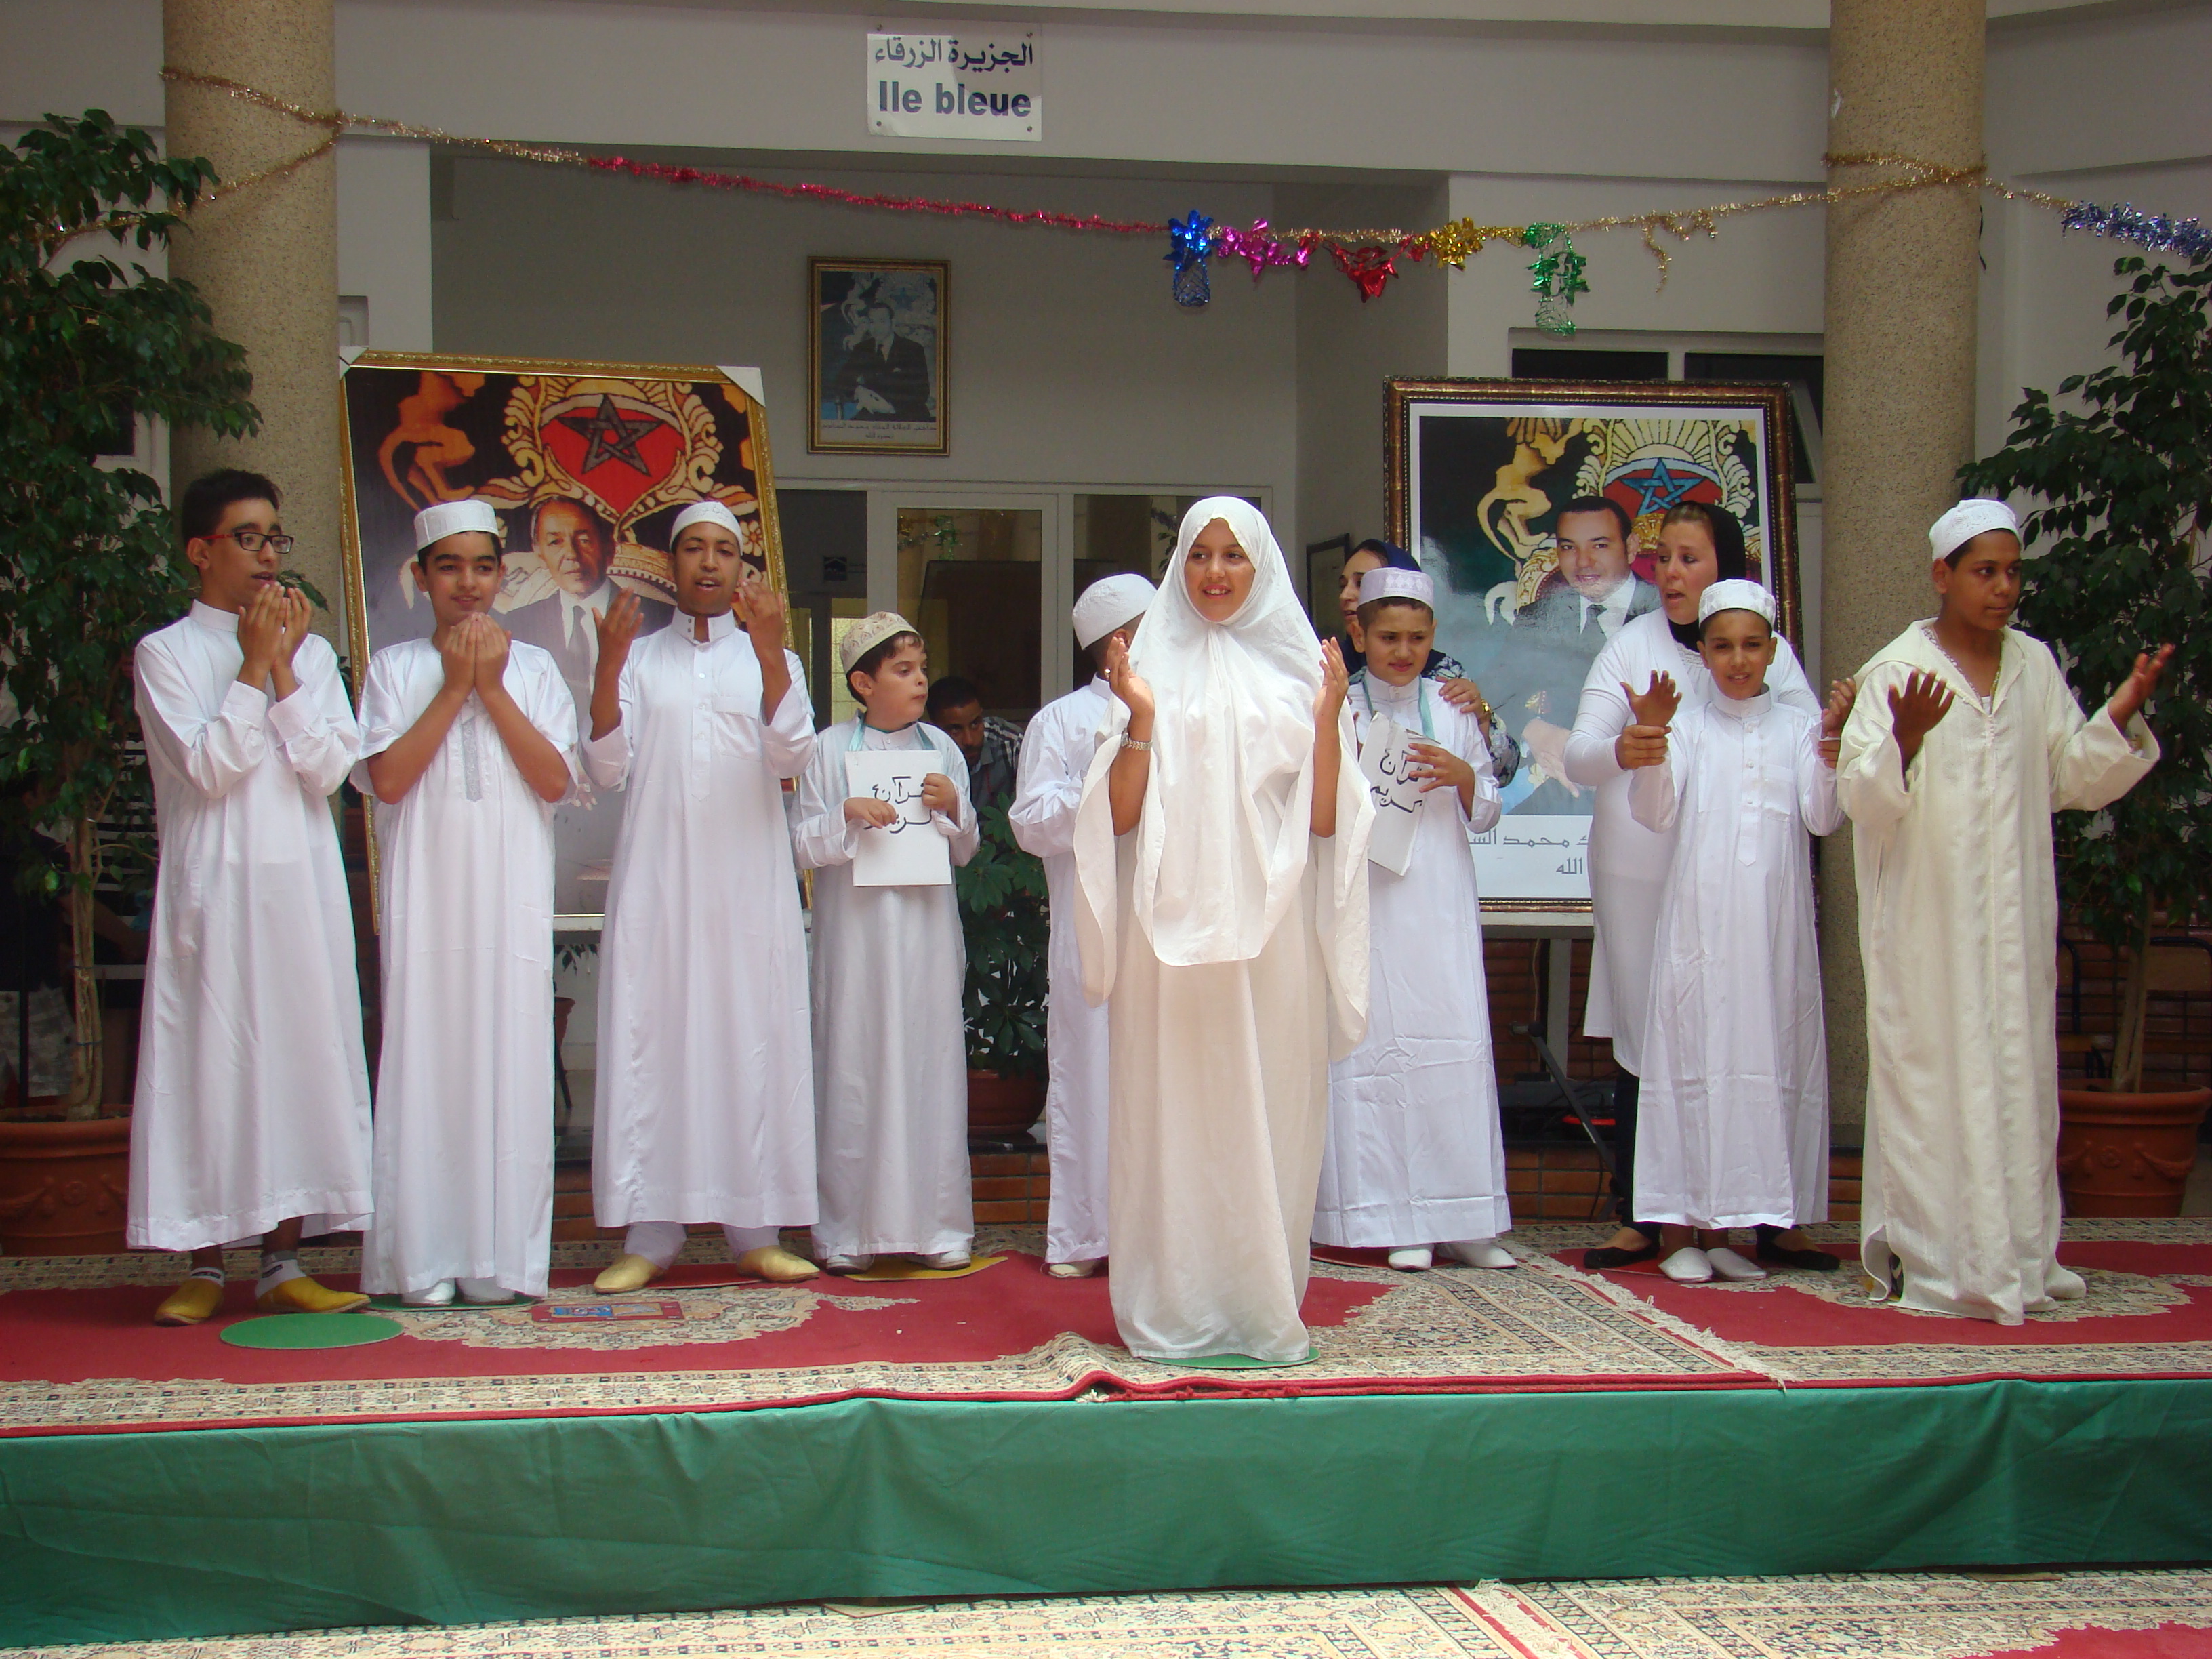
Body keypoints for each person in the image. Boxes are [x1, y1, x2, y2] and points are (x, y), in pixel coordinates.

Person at [1837, 499, 2168, 1324]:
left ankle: (2019, 1256)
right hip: (1929, 932)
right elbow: (1862, 798)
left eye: (2014, 571)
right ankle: (1937, 1259)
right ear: (1942, 576)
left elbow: (2069, 779)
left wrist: (2120, 711)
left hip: (2014, 927)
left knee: (2018, 1082)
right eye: (1986, 571)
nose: (2004, 588)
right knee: (1933, 1083)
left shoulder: (2033, 666)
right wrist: (1904, 739)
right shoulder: (1895, 672)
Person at [1071, 497, 1373, 1366]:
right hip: (1169, 941)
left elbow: (1323, 825)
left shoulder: (1298, 677)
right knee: (1174, 1114)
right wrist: (1140, 719)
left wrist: (1327, 722)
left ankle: (1256, 1305)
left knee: (1269, 1109)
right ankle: (1173, 1302)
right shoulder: (1149, 669)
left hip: (1270, 935)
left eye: (1232, 557)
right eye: (1199, 555)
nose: (1214, 573)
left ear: (1262, 568)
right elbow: (1119, 821)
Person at [131, 470, 373, 1325]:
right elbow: (209, 766)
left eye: (277, 537)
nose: (271, 555)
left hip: (300, 894)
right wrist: (253, 664)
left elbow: (329, 770)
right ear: (202, 551)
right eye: (250, 538)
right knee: (213, 1063)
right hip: (215, 893)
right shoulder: (165, 653)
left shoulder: (310, 655)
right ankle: (204, 1260)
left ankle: (282, 1263)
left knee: (301, 1060)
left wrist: (284, 674)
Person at [1561, 501, 1822, 1272]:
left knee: (1757, 1023)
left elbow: (1808, 751)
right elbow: (1579, 755)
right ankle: (1644, 1214)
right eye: (1663, 559)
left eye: (1690, 559)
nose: (1672, 574)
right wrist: (1627, 746)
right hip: (1642, 871)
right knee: (1651, 1030)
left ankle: (1770, 1217)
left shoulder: (1766, 655)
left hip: (1740, 884)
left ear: (1728, 570)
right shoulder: (1631, 646)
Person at [581, 500, 821, 1292]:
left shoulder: (768, 658)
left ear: (744, 568)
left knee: (751, 1036)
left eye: (725, 551)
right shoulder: (643, 659)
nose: (710, 564)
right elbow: (607, 769)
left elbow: (793, 755)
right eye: (694, 550)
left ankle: (755, 1228)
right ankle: (652, 1234)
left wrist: (775, 652)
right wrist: (609, 666)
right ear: (671, 564)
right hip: (660, 886)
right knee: (657, 1039)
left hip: (748, 888)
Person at [356, 501, 577, 1306]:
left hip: (510, 899)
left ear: (502, 575)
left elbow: (554, 780)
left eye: (483, 566)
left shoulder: (539, 672)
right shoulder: (392, 670)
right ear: (421, 579)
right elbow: (385, 780)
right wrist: (456, 687)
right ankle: (420, 1260)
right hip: (427, 901)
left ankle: (499, 1262)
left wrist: (494, 687)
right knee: (426, 1059)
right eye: (449, 567)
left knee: (509, 1061)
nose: (469, 583)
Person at [1618, 580, 1853, 1284]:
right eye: (1723, 645)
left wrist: (1836, 739)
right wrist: (1655, 734)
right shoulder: (1687, 724)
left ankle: (1739, 1228)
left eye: (1752, 645)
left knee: (1768, 1060)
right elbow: (1655, 813)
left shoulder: (1798, 726)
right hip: (1701, 925)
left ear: (1774, 650)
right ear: (1704, 651)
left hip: (1775, 932)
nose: (1739, 660)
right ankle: (1682, 1233)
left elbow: (1823, 817)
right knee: (1698, 1059)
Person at [1315, 566, 1513, 1274]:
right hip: (1366, 897)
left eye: (1418, 638)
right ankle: (1394, 1217)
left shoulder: (1455, 704)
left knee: (1452, 1044)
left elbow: (1487, 803)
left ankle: (1466, 1218)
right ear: (1359, 634)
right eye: (1388, 636)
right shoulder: (1340, 704)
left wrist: (1463, 775)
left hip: (1440, 898)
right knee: (1376, 1049)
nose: (1403, 651)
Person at [794, 613, 979, 1273]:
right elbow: (799, 844)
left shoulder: (944, 750)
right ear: (863, 683)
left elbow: (967, 846)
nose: (921, 680)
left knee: (930, 1071)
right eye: (904, 670)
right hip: (857, 948)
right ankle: (846, 1232)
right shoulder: (826, 751)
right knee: (854, 1070)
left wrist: (955, 804)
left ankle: (940, 1229)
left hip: (926, 941)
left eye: (922, 667)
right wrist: (845, 816)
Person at [1009, 573, 1158, 1279]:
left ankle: (1166, 1238)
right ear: (1119, 645)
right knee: (1089, 1073)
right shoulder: (1061, 722)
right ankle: (1085, 1236)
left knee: (1170, 1077)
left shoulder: (1181, 712)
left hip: (1171, 924)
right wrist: (1103, 784)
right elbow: (1033, 824)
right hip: (1091, 922)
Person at [1497, 497, 1660, 811]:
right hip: (1565, 785)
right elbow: (1493, 690)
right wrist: (1535, 730)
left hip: (1652, 785)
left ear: (1631, 547)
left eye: (1599, 546)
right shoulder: (1541, 617)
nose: (1583, 563)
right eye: (1569, 548)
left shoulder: (1665, 612)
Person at [1334, 539, 1521, 786]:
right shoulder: (1323, 667)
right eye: (1343, 584)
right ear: (1360, 637)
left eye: (1362, 583)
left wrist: (1481, 717)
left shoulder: (1445, 675)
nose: (1347, 595)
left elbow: (1501, 772)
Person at [503, 497, 673, 701]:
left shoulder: (663, 620)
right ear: (540, 553)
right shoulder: (517, 625)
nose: (572, 555)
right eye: (555, 542)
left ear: (609, 548)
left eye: (584, 540)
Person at [927, 676, 1023, 811]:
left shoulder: (1010, 743)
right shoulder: (922, 752)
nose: (969, 740)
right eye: (955, 729)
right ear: (934, 729)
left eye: (975, 724)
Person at [831, 302, 935, 423]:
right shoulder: (862, 349)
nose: (876, 328)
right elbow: (841, 380)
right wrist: (858, 391)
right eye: (872, 322)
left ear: (892, 323)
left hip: (907, 414)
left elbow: (922, 392)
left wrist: (891, 407)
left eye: (882, 321)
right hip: (873, 413)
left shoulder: (912, 349)